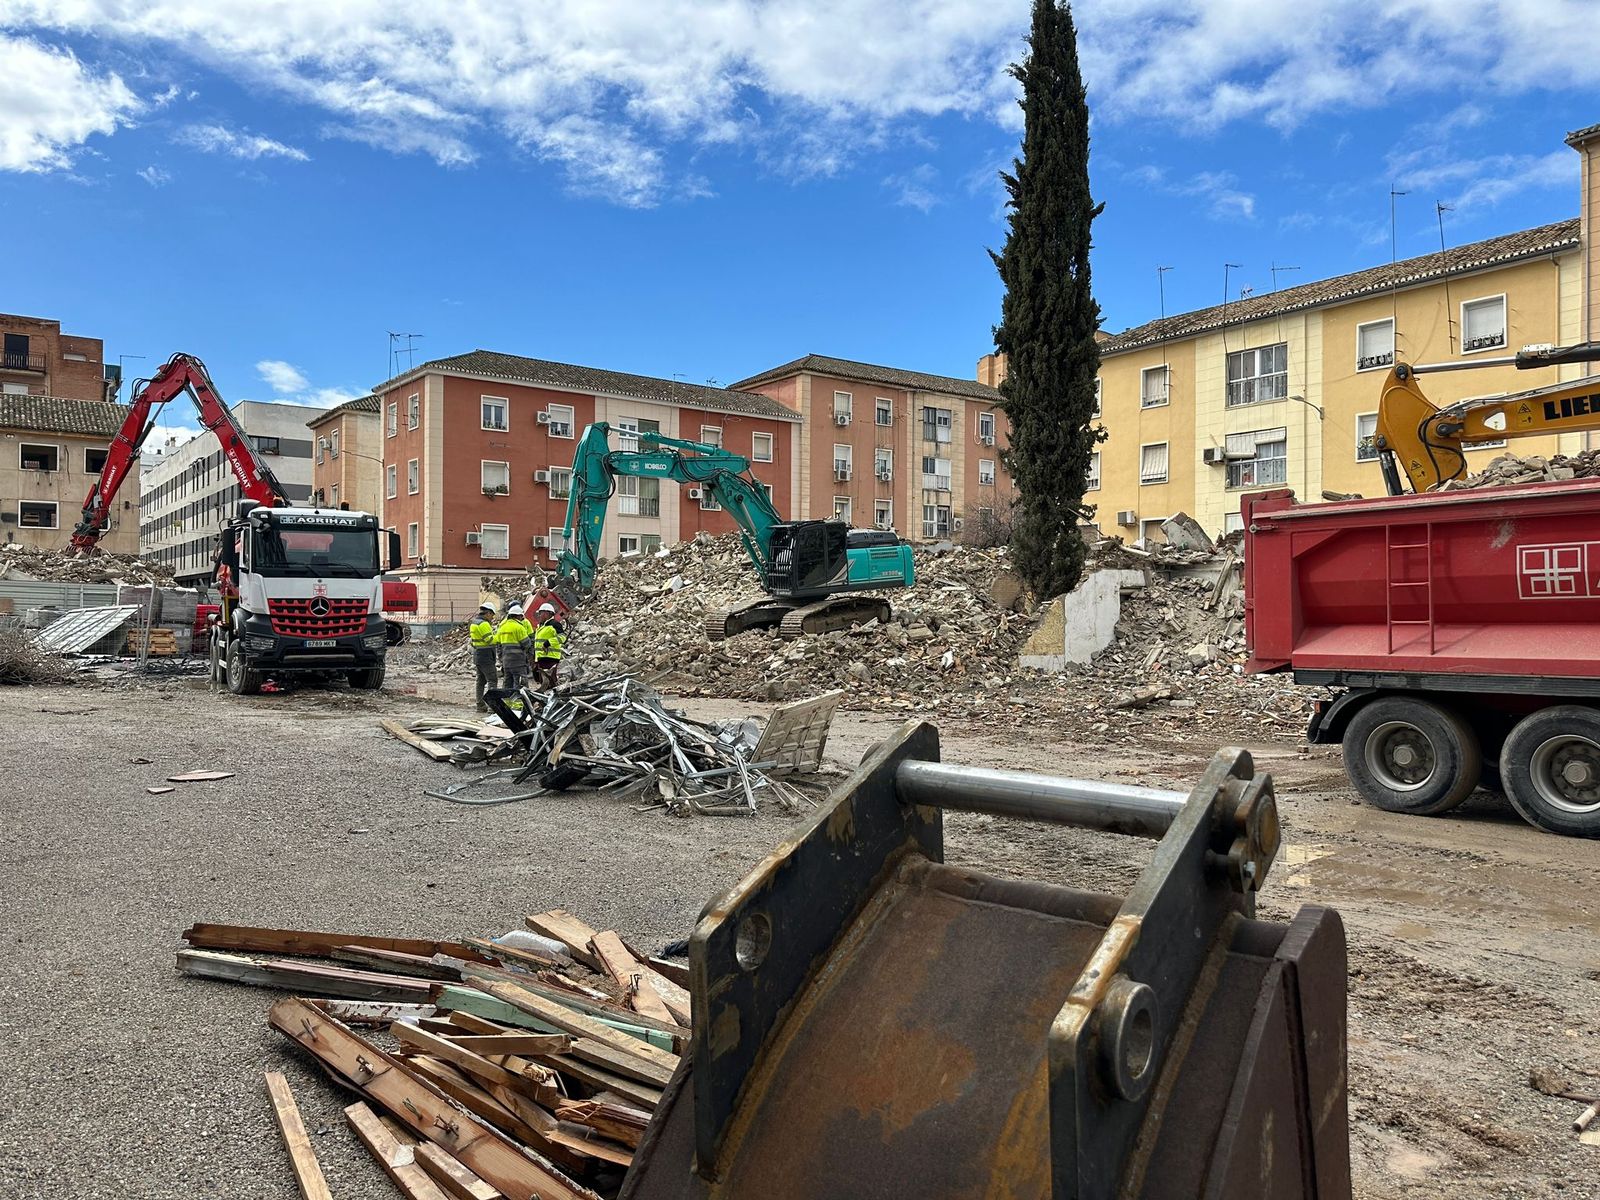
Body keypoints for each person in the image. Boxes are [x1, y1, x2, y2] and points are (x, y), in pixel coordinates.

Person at [493, 602, 535, 693]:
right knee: (520, 685)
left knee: (507, 685)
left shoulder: (502, 627)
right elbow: (527, 644)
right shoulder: (519, 627)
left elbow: (498, 645)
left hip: (506, 663)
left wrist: (501, 659)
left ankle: (507, 704)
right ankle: (519, 706)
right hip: (518, 662)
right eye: (521, 616)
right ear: (518, 616)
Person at [469, 601, 497, 711]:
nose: (492, 618)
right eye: (492, 615)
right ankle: (492, 706)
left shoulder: (474, 623)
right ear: (488, 613)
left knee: (480, 681)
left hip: (478, 655)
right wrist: (499, 636)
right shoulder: (484, 624)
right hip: (486, 655)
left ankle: (480, 704)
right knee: (492, 680)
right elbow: (490, 640)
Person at [532, 602, 566, 691]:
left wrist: (548, 643)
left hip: (550, 658)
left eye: (541, 613)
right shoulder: (542, 626)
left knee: (550, 681)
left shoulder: (554, 624)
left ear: (547, 613)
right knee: (543, 681)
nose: (539, 615)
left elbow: (562, 637)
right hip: (542, 657)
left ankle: (552, 700)